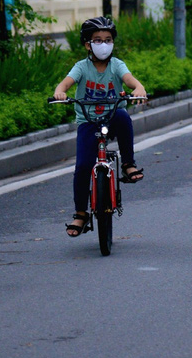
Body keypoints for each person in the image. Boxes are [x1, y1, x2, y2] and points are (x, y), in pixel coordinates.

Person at [53, 16, 148, 237]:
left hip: (112, 117)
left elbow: (130, 80)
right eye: (97, 40)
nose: (103, 44)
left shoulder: (116, 65)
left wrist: (139, 87)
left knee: (124, 117)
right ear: (88, 44)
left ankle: (128, 164)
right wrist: (61, 91)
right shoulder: (81, 67)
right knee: (83, 166)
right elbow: (65, 83)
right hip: (88, 122)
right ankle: (80, 213)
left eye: (108, 40)